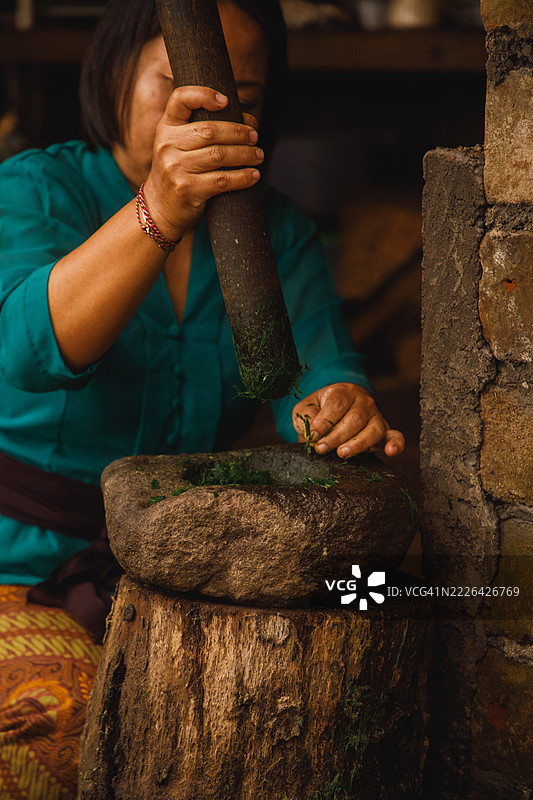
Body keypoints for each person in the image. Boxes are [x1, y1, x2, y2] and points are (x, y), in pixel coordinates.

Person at [0, 0, 404, 796]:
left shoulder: (273, 233)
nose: (208, 111)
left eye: (238, 96)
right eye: (174, 84)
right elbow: (28, 347)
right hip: (22, 567)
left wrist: (338, 405)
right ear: (115, 74)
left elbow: (315, 373)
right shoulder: (36, 188)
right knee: (57, 722)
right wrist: (161, 204)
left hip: (183, 566)